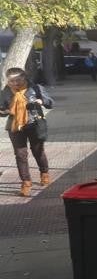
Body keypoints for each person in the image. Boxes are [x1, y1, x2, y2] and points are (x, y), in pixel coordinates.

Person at [1, 68, 53, 197]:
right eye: (12, 81)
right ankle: (26, 182)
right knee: (20, 154)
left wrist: (41, 101)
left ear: (24, 78)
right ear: (8, 80)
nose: (15, 83)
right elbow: (2, 109)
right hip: (15, 126)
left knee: (37, 151)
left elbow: (50, 103)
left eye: (18, 80)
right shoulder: (5, 92)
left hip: (34, 124)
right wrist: (4, 112)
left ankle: (44, 172)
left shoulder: (35, 88)